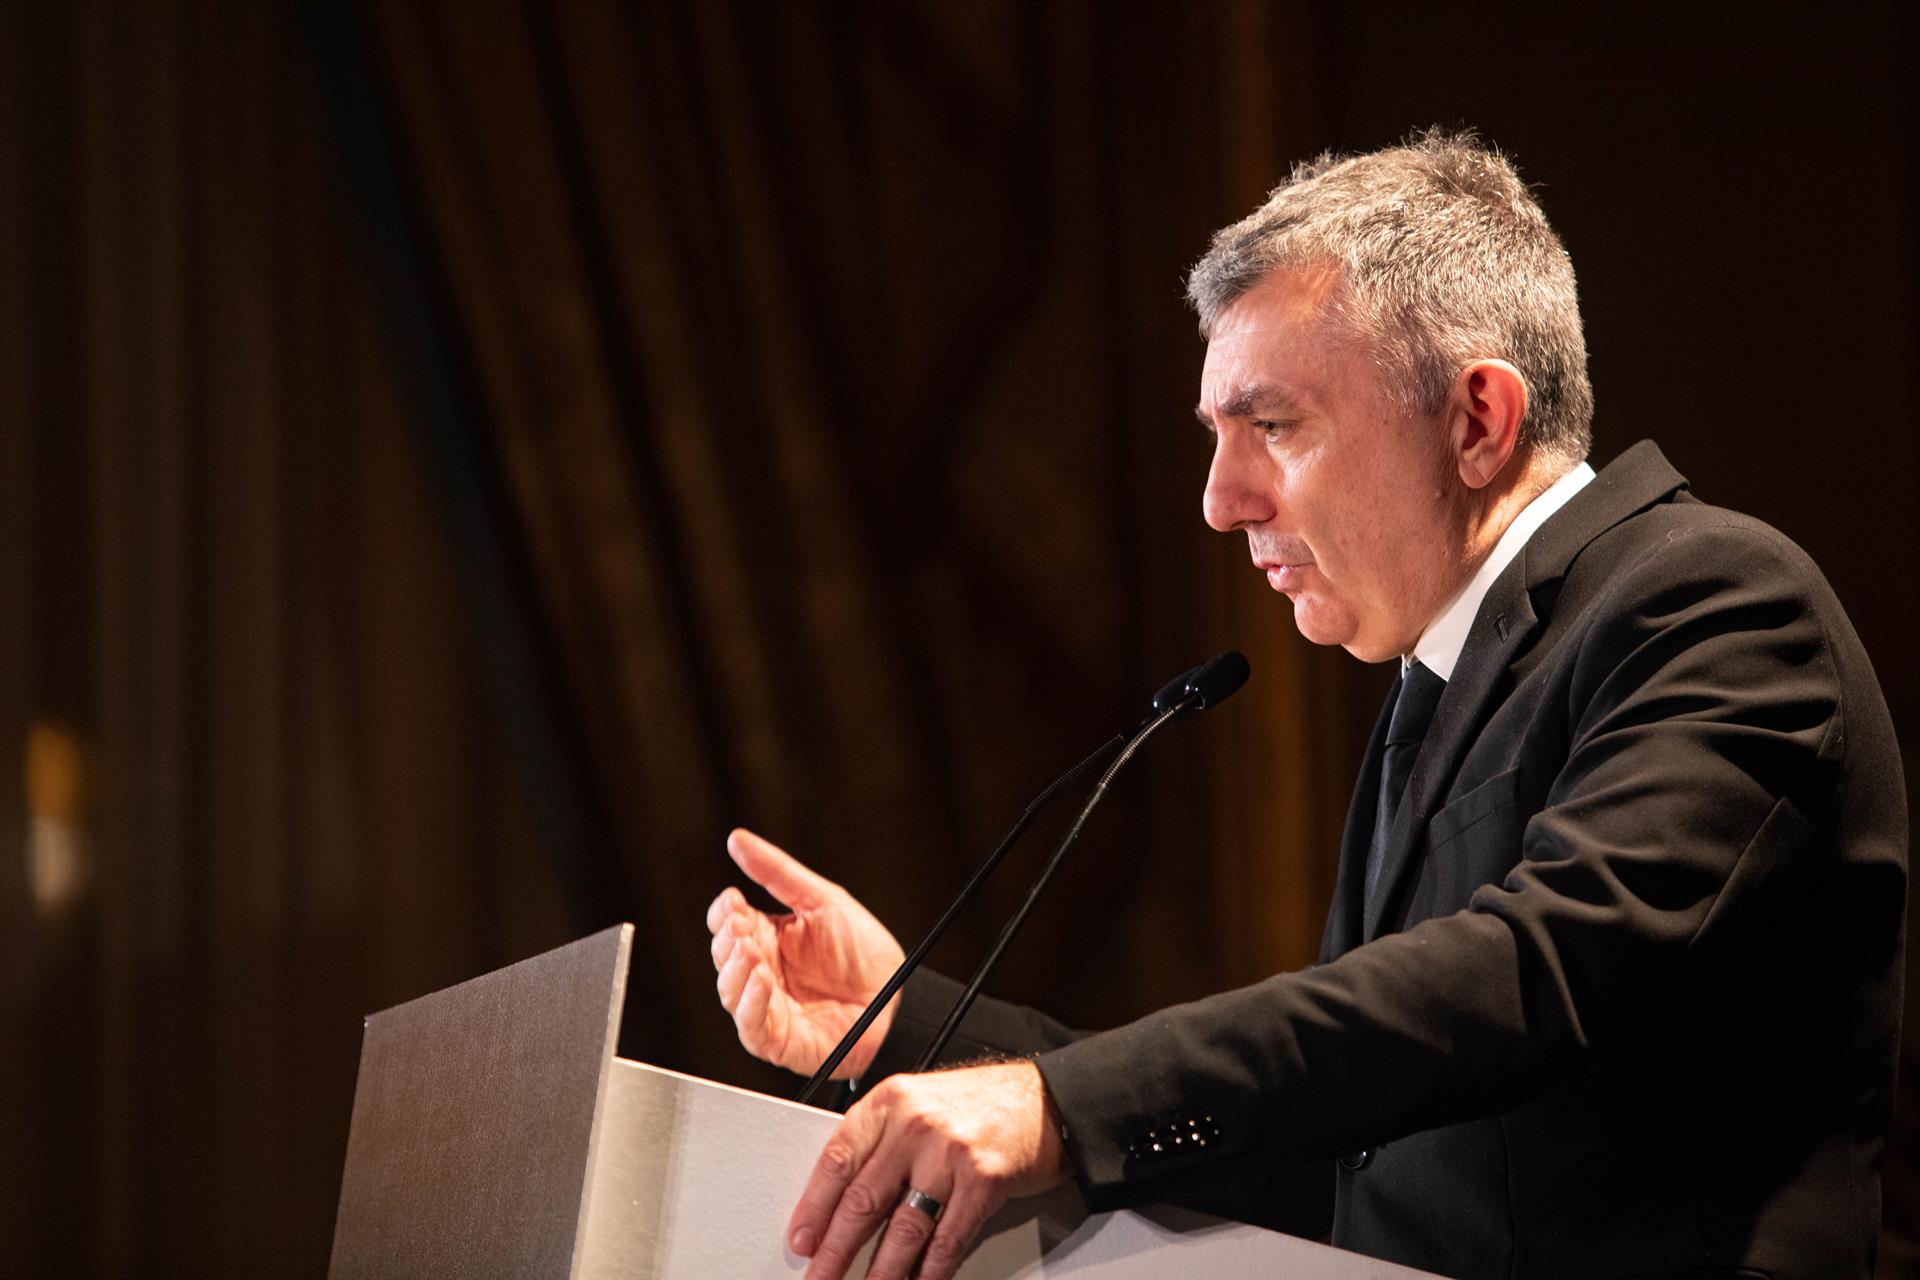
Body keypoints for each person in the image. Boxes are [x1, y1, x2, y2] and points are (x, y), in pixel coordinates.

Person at [705, 130, 1907, 1280]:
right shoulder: (1431, 699)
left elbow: (1532, 974)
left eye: (1272, 426)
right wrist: (912, 1026)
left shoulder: (1714, 600)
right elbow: (1328, 1154)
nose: (1223, 500)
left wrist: (1053, 1107)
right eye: (1217, 435)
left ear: (1477, 419)